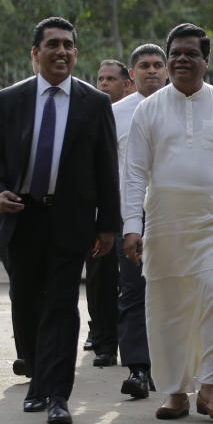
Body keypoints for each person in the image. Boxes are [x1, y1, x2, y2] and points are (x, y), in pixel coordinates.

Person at [0, 16, 120, 424]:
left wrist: (107, 224)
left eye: (68, 45)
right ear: (35, 53)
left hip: (69, 220)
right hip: (22, 216)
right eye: (52, 44)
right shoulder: (10, 100)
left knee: (62, 304)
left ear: (76, 53)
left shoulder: (94, 103)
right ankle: (37, 377)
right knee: (25, 301)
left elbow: (106, 167)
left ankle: (56, 394)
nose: (61, 51)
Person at [122, 23, 213, 421]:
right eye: (175, 54)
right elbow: (134, 174)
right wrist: (133, 226)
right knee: (167, 309)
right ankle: (175, 392)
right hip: (164, 227)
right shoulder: (148, 108)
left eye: (190, 53)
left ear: (206, 60)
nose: (181, 59)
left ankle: (210, 388)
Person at [112, 44, 168, 399]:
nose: (151, 71)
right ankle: (138, 368)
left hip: (173, 212)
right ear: (131, 75)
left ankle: (167, 367)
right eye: (143, 66)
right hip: (130, 212)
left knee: (169, 292)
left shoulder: (181, 107)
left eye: (157, 65)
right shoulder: (114, 113)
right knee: (133, 291)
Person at [84, 59, 130, 366]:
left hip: (131, 207)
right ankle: (101, 337)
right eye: (100, 78)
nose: (103, 84)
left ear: (127, 84)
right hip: (101, 207)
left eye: (111, 79)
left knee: (128, 279)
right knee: (99, 276)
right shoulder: (93, 114)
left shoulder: (136, 113)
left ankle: (122, 337)